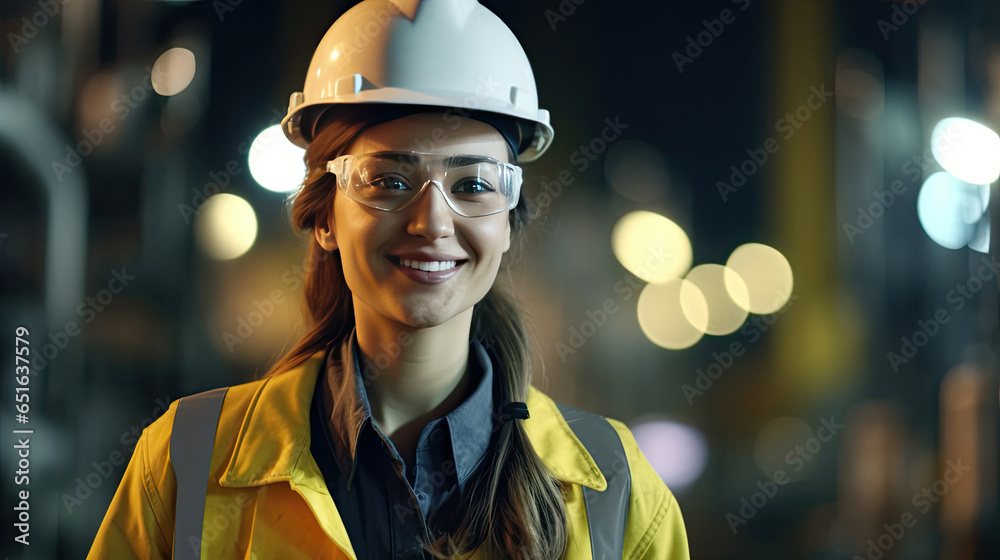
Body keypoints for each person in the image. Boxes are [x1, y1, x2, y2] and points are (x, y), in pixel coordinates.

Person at [88, 0, 690, 558]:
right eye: (389, 181)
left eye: (474, 185)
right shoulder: (187, 463)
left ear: (507, 225)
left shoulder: (617, 491)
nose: (432, 222)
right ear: (323, 216)